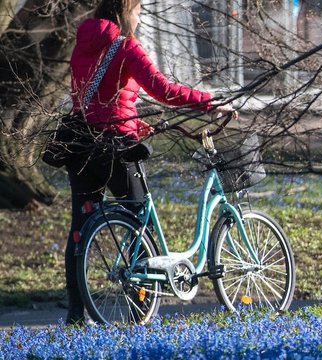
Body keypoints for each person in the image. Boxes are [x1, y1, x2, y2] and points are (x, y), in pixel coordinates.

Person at [64, 0, 236, 325]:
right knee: (139, 221)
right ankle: (140, 312)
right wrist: (209, 103)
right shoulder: (127, 47)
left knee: (79, 230)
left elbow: (91, 101)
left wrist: (136, 123)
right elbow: (163, 90)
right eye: (139, 9)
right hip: (117, 149)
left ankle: (75, 314)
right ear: (125, 10)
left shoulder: (81, 46)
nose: (141, 16)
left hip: (83, 147)